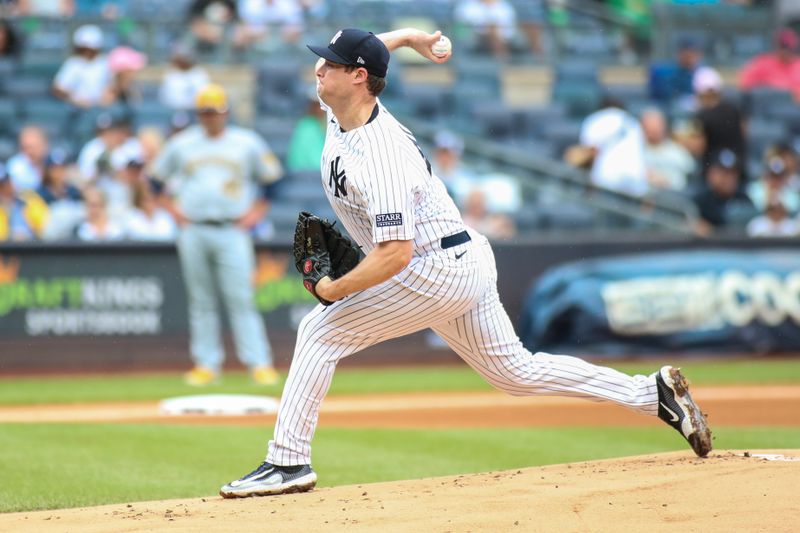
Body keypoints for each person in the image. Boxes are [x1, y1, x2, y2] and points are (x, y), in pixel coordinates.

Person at [219, 27, 713, 498]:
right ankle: (651, 395)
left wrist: (336, 289)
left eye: (332, 63)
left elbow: (396, 254)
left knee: (320, 331)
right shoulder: (343, 105)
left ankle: (288, 461)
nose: (319, 69)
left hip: (433, 267)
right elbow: (370, 50)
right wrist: (410, 37)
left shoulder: (381, 156)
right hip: (461, 256)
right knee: (514, 373)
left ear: (358, 78)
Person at [152, 84, 282, 386]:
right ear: (199, 114)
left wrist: (255, 214)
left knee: (242, 299)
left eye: (215, 112)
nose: (211, 117)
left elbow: (272, 180)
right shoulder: (182, 144)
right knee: (201, 300)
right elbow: (155, 181)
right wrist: (173, 211)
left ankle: (259, 363)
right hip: (194, 228)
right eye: (205, 112)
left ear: (225, 112)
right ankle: (206, 364)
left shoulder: (246, 142)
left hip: (232, 228)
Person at [576, 97, 649, 197]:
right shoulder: (633, 122)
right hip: (635, 181)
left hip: (607, 180)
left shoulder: (596, 119)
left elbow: (590, 152)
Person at [693, 67, 746, 181]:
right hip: (736, 171)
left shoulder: (702, 116)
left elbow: (697, 148)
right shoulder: (734, 110)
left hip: (712, 174)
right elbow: (745, 132)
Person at [692, 148, 755, 235]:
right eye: (722, 173)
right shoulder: (700, 201)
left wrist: (713, 230)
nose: (727, 178)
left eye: (732, 173)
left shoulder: (743, 199)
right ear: (710, 174)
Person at [52, 24, 111, 109]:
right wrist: (74, 99)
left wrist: (108, 96)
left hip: (100, 111)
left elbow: (112, 87)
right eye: (84, 49)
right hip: (76, 111)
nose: (87, 52)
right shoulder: (73, 63)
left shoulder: (104, 62)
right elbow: (58, 88)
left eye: (90, 49)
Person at [640, 107, 695, 192]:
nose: (654, 130)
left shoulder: (677, 151)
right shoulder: (634, 150)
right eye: (650, 126)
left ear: (664, 127)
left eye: (657, 126)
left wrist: (667, 180)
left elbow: (689, 176)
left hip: (672, 196)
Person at [739, 27, 800, 101]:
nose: (785, 51)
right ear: (776, 46)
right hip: (769, 107)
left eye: (787, 48)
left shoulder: (797, 65)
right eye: (782, 47)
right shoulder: (763, 63)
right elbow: (745, 86)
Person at [286, 87, 326, 172]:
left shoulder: (337, 125)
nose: (320, 108)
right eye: (316, 104)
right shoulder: (305, 127)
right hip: (308, 177)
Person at [159, 44, 210, 111]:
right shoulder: (170, 75)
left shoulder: (200, 74)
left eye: (186, 57)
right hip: (173, 111)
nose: (184, 60)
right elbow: (165, 99)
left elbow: (205, 97)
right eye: (181, 57)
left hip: (196, 112)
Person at [6, 125, 49, 192]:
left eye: (33, 147)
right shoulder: (15, 167)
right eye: (25, 147)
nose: (30, 152)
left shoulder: (54, 163)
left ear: (45, 145)